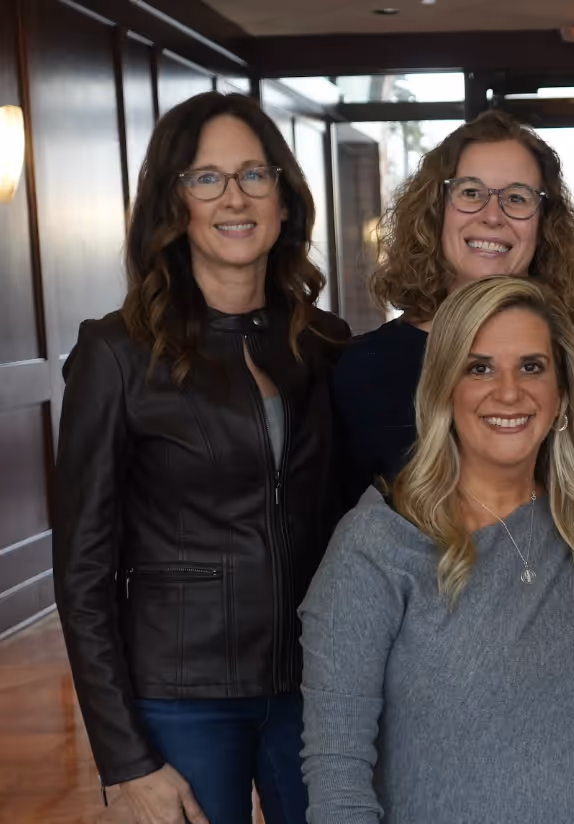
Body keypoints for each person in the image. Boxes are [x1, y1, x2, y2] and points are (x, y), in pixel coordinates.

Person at [52, 91, 354, 824]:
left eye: (255, 175)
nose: (235, 197)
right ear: (172, 201)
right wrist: (125, 761)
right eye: (205, 178)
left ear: (282, 200)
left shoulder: (326, 344)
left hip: (314, 688)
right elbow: (83, 574)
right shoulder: (115, 353)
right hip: (179, 695)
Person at [300, 277, 574, 824]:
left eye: (532, 366)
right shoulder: (378, 545)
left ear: (563, 394)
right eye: (479, 368)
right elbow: (337, 781)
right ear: (441, 389)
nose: (508, 392)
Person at [334, 110, 574, 499]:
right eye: (471, 193)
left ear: (544, 223)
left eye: (516, 197)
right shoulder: (365, 369)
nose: (492, 216)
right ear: (435, 210)